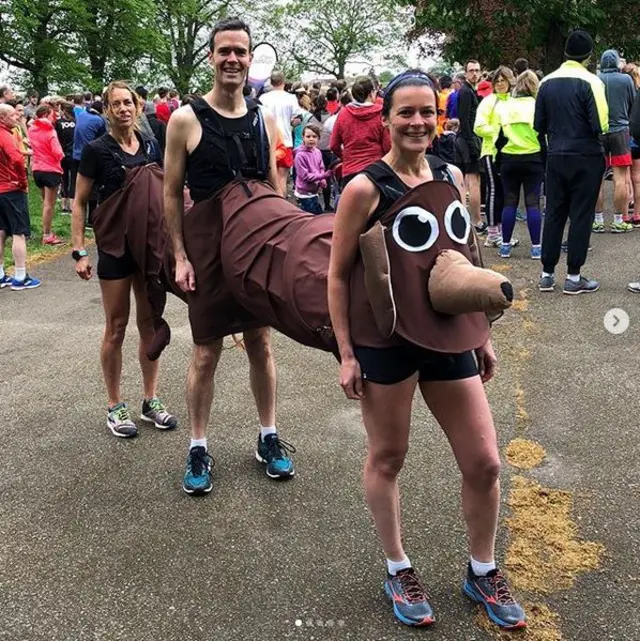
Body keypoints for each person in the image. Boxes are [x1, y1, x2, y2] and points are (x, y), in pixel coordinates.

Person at [327, 69, 525, 630]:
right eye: (405, 112)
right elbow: (337, 277)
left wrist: (479, 330)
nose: (417, 122)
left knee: (485, 462)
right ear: (386, 118)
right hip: (384, 341)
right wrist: (346, 351)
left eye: (425, 112)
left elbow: (464, 253)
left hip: (446, 335)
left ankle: (481, 570)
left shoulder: (449, 173)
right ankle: (398, 567)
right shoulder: (364, 188)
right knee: (388, 457)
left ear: (438, 118)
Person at [163, 16, 295, 495]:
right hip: (209, 252)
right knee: (205, 350)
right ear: (212, 57)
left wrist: (281, 246)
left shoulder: (263, 117)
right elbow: (171, 193)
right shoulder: (186, 119)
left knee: (261, 342)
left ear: (250, 57)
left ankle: (268, 436)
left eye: (241, 51)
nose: (233, 59)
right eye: (225, 51)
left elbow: (274, 192)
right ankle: (198, 445)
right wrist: (180, 255)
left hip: (253, 248)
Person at [70, 81, 177, 438]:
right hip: (115, 248)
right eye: (116, 104)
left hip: (147, 248)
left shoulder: (150, 144)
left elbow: (165, 190)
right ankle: (115, 406)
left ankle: (151, 400)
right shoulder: (96, 150)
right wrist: (79, 250)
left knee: (150, 324)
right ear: (107, 109)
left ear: (137, 105)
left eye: (128, 102)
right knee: (116, 327)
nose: (124, 109)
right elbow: (80, 202)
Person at [535, 30, 608, 294]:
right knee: (581, 215)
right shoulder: (592, 81)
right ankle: (574, 276)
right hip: (586, 154)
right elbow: (601, 123)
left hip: (555, 154)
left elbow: (538, 125)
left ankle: (546, 273)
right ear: (588, 56)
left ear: (566, 53)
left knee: (554, 212)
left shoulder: (546, 82)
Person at [496, 70, 545, 259]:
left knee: (510, 202)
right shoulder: (537, 105)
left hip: (509, 158)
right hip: (533, 158)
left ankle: (505, 246)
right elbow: (543, 135)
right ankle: (536, 248)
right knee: (533, 203)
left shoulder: (505, 105)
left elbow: (499, 136)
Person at [593, 49, 636, 232]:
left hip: (599, 132)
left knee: (597, 178)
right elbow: (632, 101)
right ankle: (618, 220)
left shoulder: (595, 80)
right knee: (620, 178)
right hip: (620, 131)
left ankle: (598, 220)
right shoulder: (626, 80)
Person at [474, 66, 516, 247]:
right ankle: (492, 234)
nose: (500, 84)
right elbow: (479, 127)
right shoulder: (488, 102)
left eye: (503, 80)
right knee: (493, 191)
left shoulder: (514, 101)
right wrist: (498, 133)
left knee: (505, 193)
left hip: (511, 153)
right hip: (491, 152)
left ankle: (499, 232)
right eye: (497, 81)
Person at [0, 104, 41, 290]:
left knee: (0, 231)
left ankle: (0, 274)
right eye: (12, 115)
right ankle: (20, 276)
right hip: (11, 188)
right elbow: (16, 159)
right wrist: (22, 180)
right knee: (19, 231)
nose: (17, 117)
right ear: (2, 118)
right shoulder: (5, 136)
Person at [329, 75, 391, 187]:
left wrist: (346, 157)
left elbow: (334, 145)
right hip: (376, 171)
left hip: (350, 172)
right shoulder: (379, 114)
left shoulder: (343, 114)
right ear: (371, 92)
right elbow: (388, 146)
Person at [259, 70, 303, 196]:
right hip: (285, 142)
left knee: (268, 180)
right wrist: (290, 124)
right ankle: (282, 206)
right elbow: (297, 120)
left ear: (271, 82)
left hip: (267, 143)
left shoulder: (263, 98)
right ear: (283, 82)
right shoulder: (291, 98)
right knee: (282, 178)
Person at [27, 104, 66, 245]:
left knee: (45, 203)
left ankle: (47, 230)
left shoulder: (32, 129)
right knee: (49, 204)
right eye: (52, 115)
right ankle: (47, 235)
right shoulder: (50, 131)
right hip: (51, 170)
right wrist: (62, 156)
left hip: (37, 169)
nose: (54, 118)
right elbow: (57, 152)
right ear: (45, 115)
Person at [457, 60, 484, 231]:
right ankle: (476, 220)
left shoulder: (470, 91)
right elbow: (464, 119)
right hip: (469, 139)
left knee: (469, 181)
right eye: (471, 70)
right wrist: (471, 143)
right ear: (465, 73)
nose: (474, 73)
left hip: (469, 138)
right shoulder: (466, 92)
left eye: (477, 70)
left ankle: (471, 219)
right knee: (473, 181)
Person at [293, 122, 332, 213]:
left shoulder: (317, 151)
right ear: (303, 137)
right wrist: (323, 176)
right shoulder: (300, 156)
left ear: (318, 138)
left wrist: (322, 180)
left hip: (314, 191)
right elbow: (305, 177)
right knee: (314, 216)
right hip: (304, 192)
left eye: (314, 137)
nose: (311, 139)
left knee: (312, 214)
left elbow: (321, 166)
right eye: (308, 136)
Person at [56, 102, 77, 213]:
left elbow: (56, 138)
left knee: (64, 179)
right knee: (74, 179)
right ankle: (72, 205)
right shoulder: (76, 122)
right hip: (74, 154)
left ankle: (64, 205)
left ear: (64, 111)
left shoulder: (58, 123)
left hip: (63, 153)